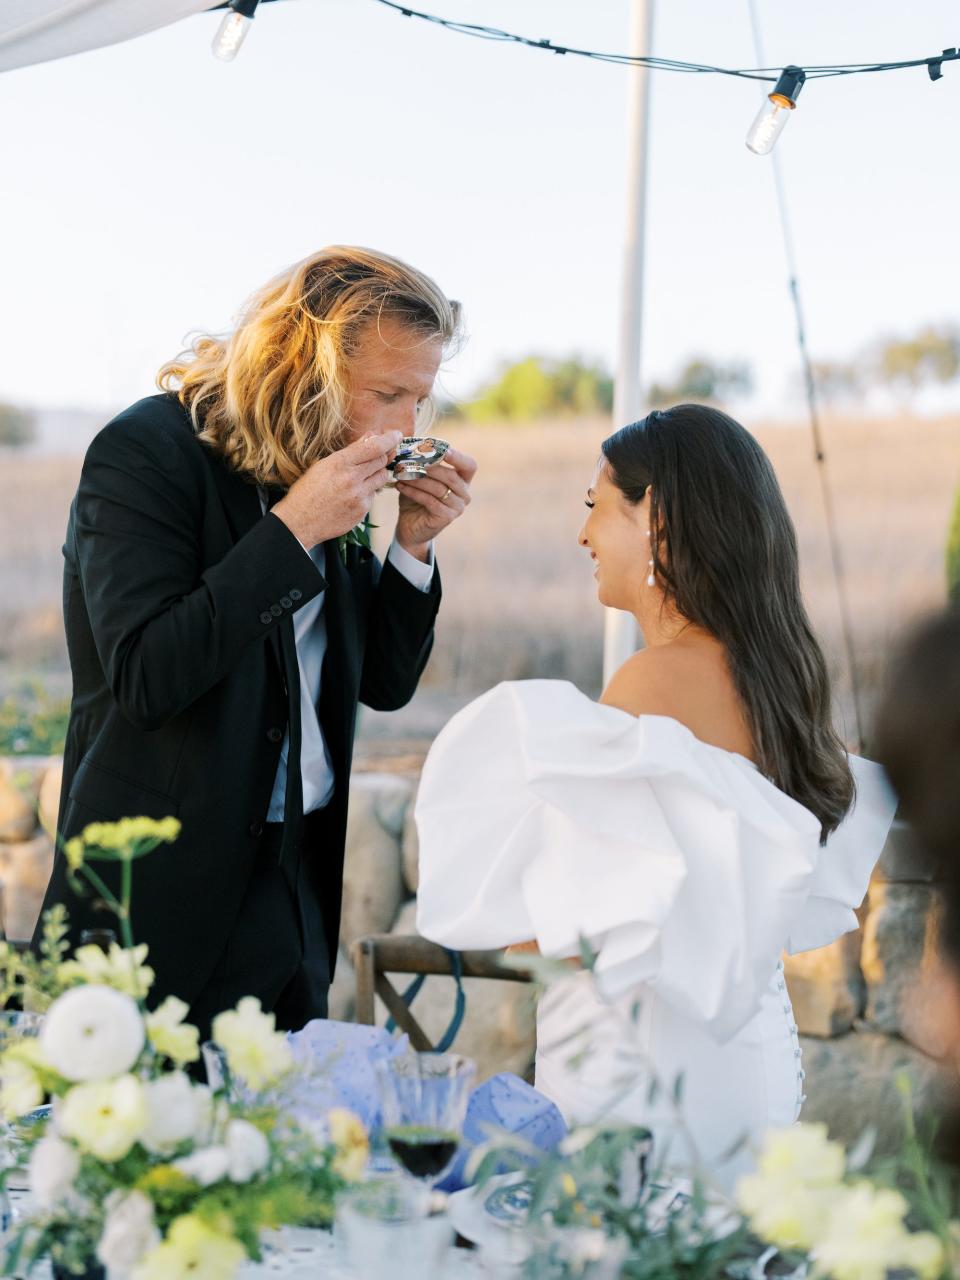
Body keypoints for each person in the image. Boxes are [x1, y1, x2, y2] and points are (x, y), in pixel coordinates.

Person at [415, 403, 895, 1189]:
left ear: (656, 521)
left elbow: (576, 931)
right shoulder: (775, 680)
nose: (582, 536)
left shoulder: (654, 681)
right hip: (744, 1055)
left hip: (646, 1061)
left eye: (594, 508)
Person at [36, 245, 476, 1036]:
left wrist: (411, 542)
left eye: (421, 399)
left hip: (293, 894)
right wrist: (296, 526)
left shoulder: (329, 466)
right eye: (388, 394)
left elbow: (380, 683)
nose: (407, 427)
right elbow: (146, 676)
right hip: (151, 904)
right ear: (306, 366)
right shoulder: (146, 454)